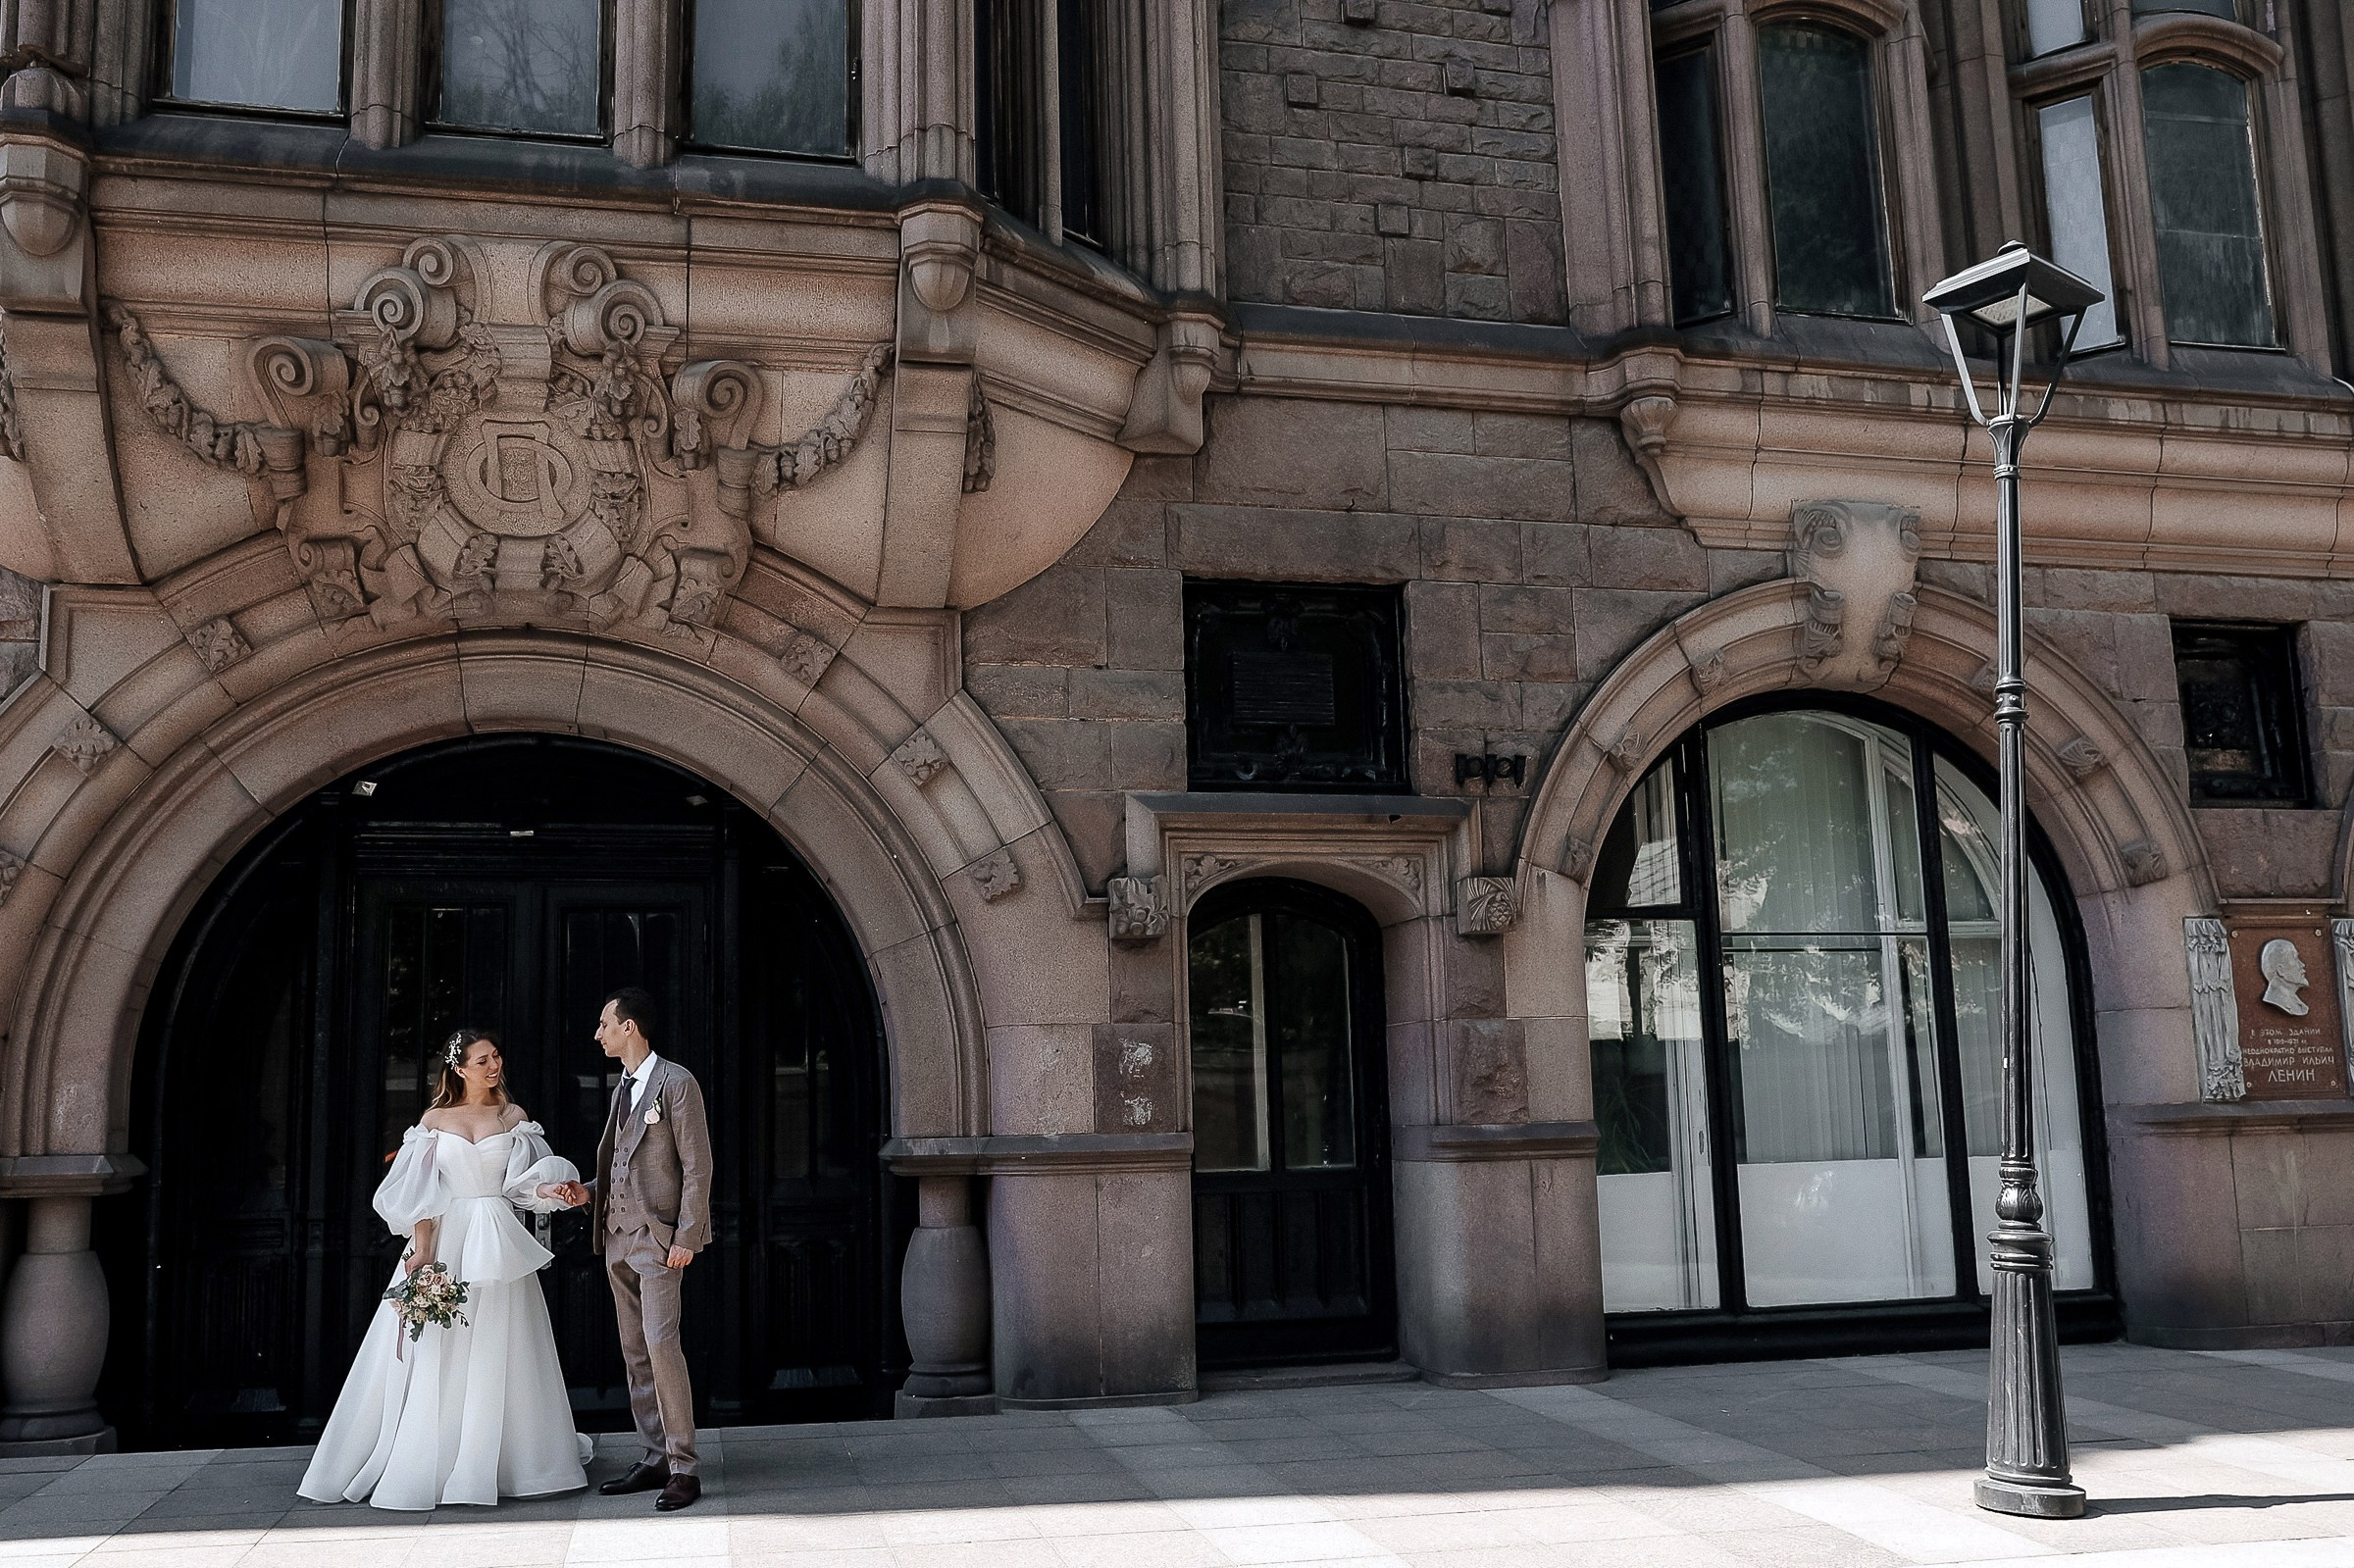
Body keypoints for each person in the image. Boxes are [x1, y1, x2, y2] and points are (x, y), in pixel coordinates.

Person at [298, 1028, 590, 1511]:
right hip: (450, 1239)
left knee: (503, 1342)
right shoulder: (434, 1119)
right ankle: (434, 1458)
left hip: (497, 1242)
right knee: (441, 1347)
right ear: (458, 1069)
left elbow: (521, 1186)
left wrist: (549, 1191)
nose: (493, 1066)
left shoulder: (513, 1116)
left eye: (496, 1056)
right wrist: (422, 1252)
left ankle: (509, 1462)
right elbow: (423, 1195)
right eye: (482, 1060)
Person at [547, 986, 713, 1512]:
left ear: (630, 1028)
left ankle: (685, 1467)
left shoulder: (676, 1083)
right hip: (617, 1238)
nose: (597, 1034)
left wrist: (687, 1235)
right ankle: (655, 1454)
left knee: (663, 1347)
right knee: (636, 1352)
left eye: (604, 1024)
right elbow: (619, 1163)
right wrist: (586, 1195)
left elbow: (697, 1166)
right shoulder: (622, 1086)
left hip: (660, 1241)